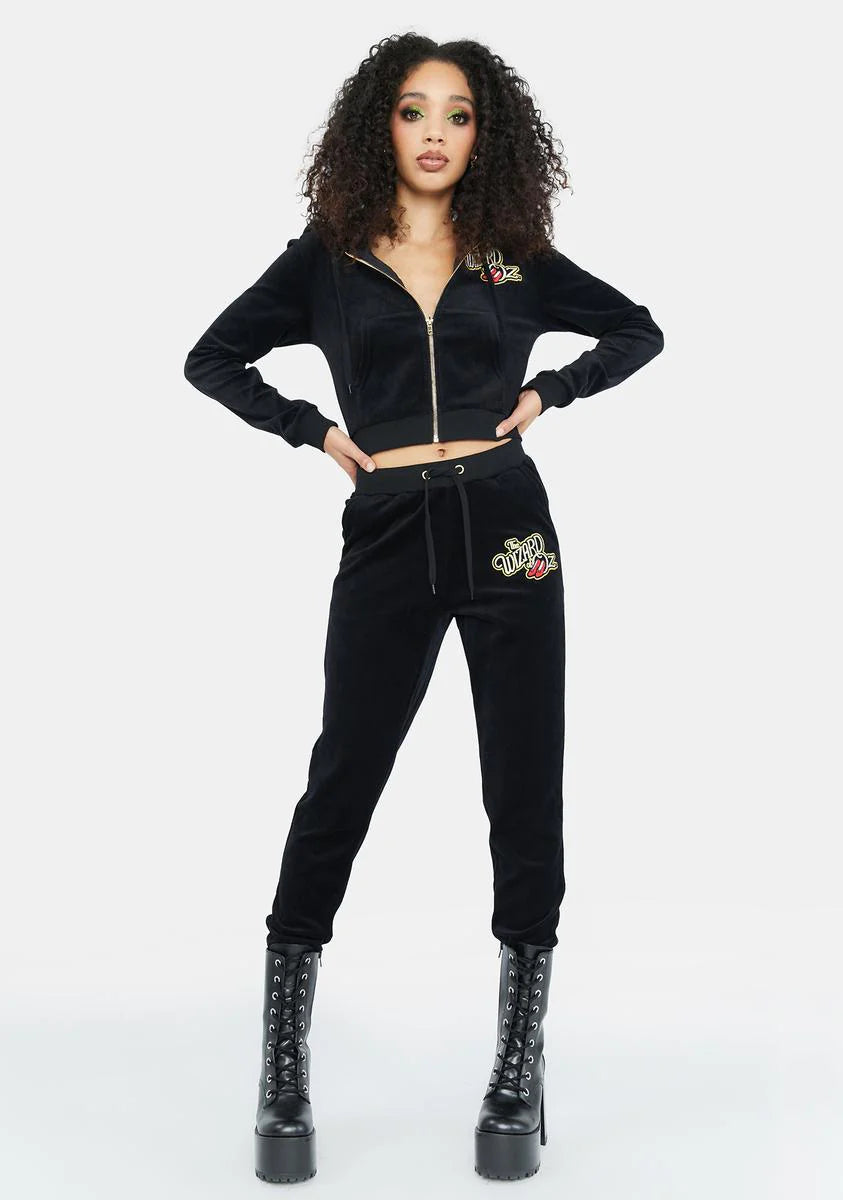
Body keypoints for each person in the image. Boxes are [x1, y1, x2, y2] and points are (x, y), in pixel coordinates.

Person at [183, 34, 664, 1185]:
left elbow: (637, 328)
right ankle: (283, 1070)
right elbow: (214, 357)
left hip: (509, 528)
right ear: (379, 127)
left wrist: (552, 390)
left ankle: (516, 1070)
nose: (435, 132)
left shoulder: (514, 258)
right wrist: (312, 430)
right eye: (413, 110)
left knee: (523, 785)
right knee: (342, 777)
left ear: (484, 134)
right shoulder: (328, 258)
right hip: (390, 531)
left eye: (457, 113)